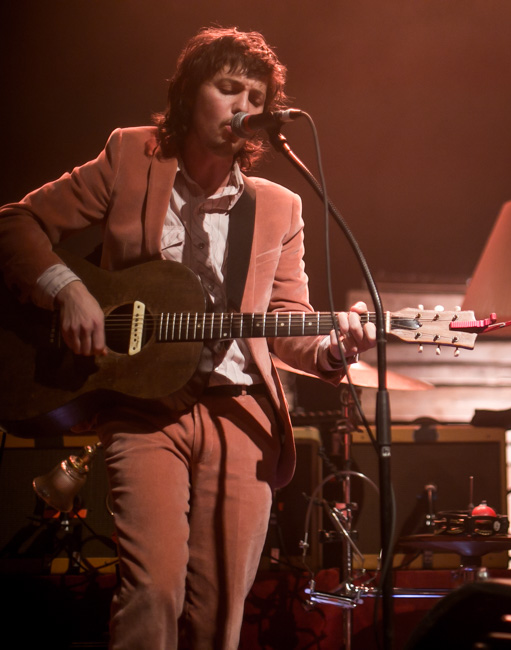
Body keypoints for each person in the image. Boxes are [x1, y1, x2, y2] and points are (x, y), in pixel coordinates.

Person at [0, 27, 376, 649]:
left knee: (220, 613)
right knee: (153, 591)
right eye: (228, 88)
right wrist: (68, 288)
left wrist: (333, 349)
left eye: (255, 97)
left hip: (241, 412)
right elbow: (16, 223)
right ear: (186, 96)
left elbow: (286, 320)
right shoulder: (130, 158)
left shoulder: (280, 206)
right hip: (143, 411)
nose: (243, 107)